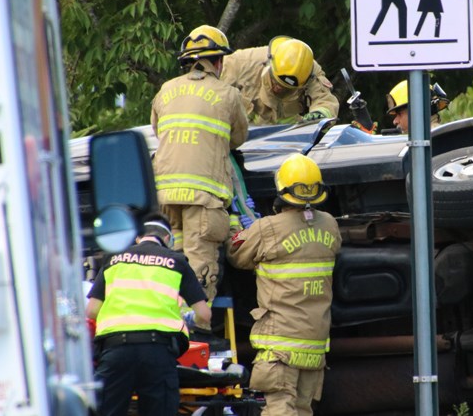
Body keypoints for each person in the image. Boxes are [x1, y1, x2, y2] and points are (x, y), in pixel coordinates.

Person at [227, 154, 342, 416]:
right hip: (314, 345)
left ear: (281, 188)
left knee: (279, 408)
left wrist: (235, 224)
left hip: (280, 345)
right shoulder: (331, 226)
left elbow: (236, 255)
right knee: (302, 410)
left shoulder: (268, 228)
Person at [151, 24, 248, 332]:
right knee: (199, 270)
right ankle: (193, 338)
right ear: (217, 62)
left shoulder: (166, 90)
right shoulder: (229, 95)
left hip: (165, 195)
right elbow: (238, 138)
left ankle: (164, 326)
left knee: (171, 259)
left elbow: (158, 130)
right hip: (203, 197)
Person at [87, 214, 212, 416]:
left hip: (115, 351)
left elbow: (91, 310)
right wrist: (187, 319)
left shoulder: (114, 258)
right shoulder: (177, 260)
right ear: (168, 239)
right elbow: (204, 315)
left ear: (137, 237)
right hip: (158, 353)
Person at [221, 36, 339, 125]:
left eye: (287, 88)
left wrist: (319, 116)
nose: (278, 88)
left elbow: (325, 101)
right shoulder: (241, 63)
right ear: (270, 64)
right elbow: (208, 82)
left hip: (287, 141)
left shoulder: (310, 72)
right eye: (275, 81)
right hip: (245, 139)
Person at [385, 79, 450, 134]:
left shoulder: (431, 139)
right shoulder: (432, 136)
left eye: (399, 114)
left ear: (417, 111)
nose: (395, 121)